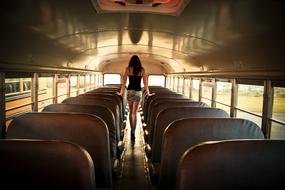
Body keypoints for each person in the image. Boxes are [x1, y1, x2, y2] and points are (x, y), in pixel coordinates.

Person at [117, 55, 155, 141]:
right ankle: (134, 131)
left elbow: (124, 83)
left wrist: (121, 93)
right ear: (139, 62)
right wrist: (148, 93)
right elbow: (145, 84)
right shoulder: (142, 70)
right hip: (138, 92)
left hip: (130, 91)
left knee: (131, 113)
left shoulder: (128, 69)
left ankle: (132, 131)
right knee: (135, 113)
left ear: (131, 61)